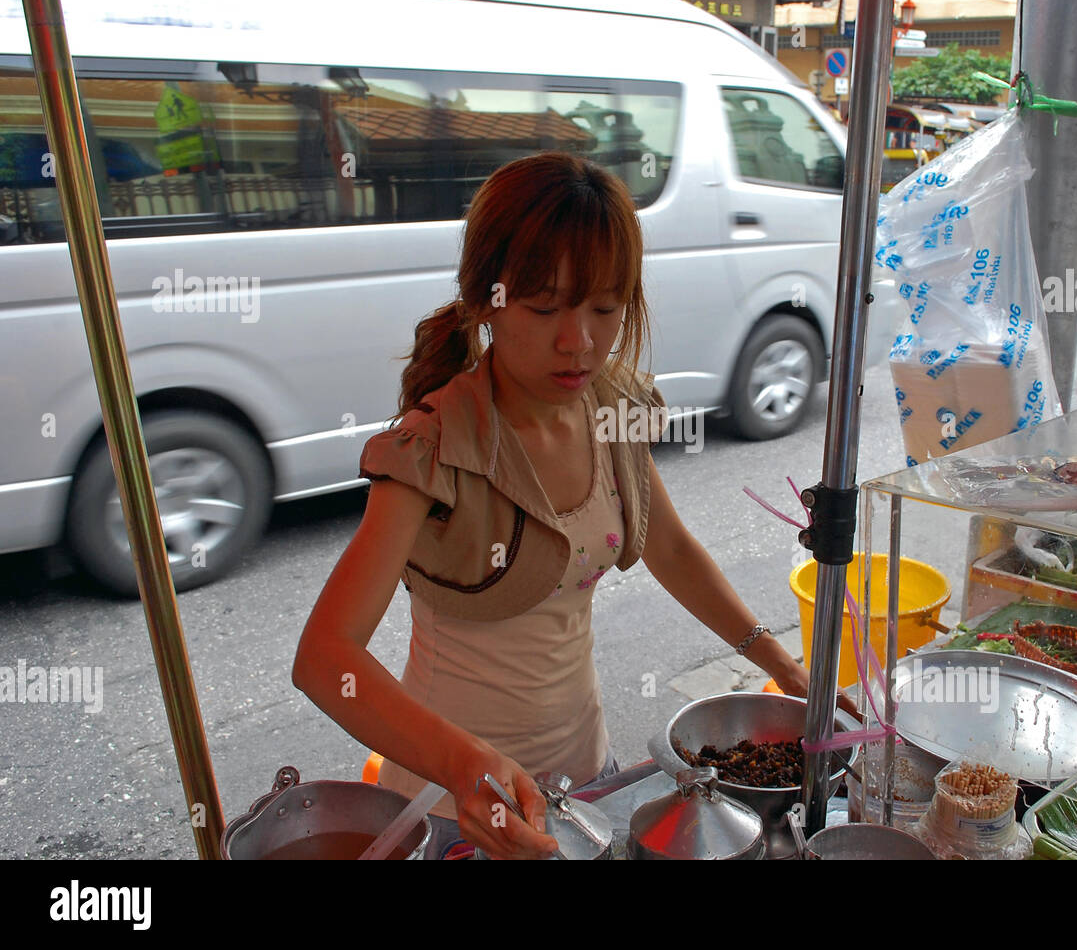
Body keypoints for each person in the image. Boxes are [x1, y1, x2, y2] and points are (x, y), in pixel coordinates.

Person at [292, 151, 848, 860]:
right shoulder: (430, 449)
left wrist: (783, 663)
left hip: (585, 783)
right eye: (543, 306)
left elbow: (671, 549)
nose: (578, 342)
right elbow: (323, 657)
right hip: (451, 806)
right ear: (486, 299)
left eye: (605, 308)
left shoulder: (613, 407)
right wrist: (467, 768)